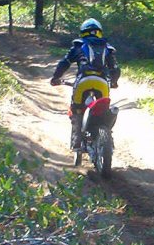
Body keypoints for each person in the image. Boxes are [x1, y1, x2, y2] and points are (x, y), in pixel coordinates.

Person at [50, 18, 120, 150]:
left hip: (83, 81)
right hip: (102, 82)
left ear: (83, 32)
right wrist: (114, 82)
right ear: (99, 32)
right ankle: (107, 138)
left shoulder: (78, 45)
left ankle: (76, 142)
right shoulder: (107, 47)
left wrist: (56, 78)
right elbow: (115, 69)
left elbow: (64, 63)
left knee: (76, 108)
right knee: (103, 109)